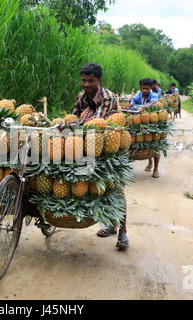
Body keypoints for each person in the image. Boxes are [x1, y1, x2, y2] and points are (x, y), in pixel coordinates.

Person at [72, 62, 129, 250]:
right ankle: (110, 224)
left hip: (110, 149)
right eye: (83, 81)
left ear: (99, 80)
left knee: (115, 188)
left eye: (90, 81)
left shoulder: (108, 98)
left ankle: (122, 232)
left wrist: (76, 125)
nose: (86, 85)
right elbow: (74, 118)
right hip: (87, 144)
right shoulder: (81, 96)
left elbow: (96, 124)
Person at [131, 78, 161, 178]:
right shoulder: (138, 95)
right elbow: (132, 102)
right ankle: (150, 162)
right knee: (143, 141)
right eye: (142, 88)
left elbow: (153, 102)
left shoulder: (154, 95)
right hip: (140, 121)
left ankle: (156, 169)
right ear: (140, 88)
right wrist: (129, 106)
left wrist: (144, 107)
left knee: (154, 143)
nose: (144, 90)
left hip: (153, 122)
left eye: (147, 88)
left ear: (150, 88)